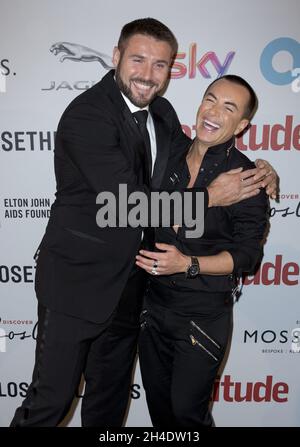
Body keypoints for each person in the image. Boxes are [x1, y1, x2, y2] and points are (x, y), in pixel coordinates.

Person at [10, 19, 277, 427]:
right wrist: (210, 197)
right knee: (50, 403)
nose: (148, 75)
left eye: (160, 65)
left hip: (133, 291)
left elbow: (200, 153)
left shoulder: (162, 113)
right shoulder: (88, 116)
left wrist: (261, 170)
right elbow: (127, 206)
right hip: (76, 286)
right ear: (116, 58)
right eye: (138, 60)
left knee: (108, 406)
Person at [136, 75, 269, 427]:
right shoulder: (165, 154)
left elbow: (247, 256)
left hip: (202, 316)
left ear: (242, 125)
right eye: (210, 99)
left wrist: (188, 263)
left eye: (228, 108)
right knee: (161, 413)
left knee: (187, 415)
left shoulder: (247, 178)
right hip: (153, 308)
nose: (213, 112)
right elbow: (133, 210)